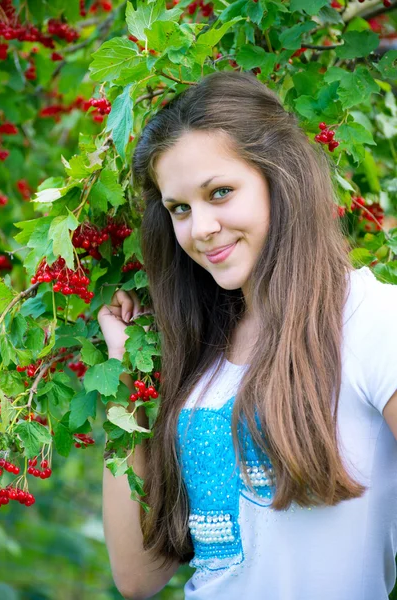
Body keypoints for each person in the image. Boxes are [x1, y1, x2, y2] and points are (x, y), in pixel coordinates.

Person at [97, 71, 397, 600]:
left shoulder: (371, 318)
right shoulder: (197, 351)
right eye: (180, 209)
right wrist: (125, 377)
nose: (201, 227)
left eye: (220, 192)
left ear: (279, 177)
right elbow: (138, 576)